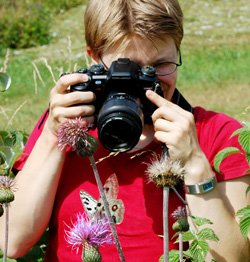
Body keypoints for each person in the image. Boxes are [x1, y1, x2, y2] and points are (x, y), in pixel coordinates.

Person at [0, 0, 249, 261]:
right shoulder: (67, 127)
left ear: (178, 51)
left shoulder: (218, 135)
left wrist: (195, 164)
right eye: (128, 69)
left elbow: (234, 258)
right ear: (94, 58)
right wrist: (53, 136)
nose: (146, 85)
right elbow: (12, 241)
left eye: (159, 66)